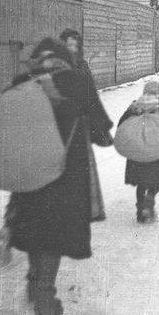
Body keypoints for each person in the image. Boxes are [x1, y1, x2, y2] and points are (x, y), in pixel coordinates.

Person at [3, 38, 107, 315]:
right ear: (65, 58)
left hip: (28, 170)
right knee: (56, 232)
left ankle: (34, 279)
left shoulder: (21, 81)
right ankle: (45, 294)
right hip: (67, 173)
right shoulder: (78, 80)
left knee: (34, 223)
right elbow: (102, 130)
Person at [59, 29, 113, 222]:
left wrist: (102, 124)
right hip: (59, 125)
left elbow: (92, 96)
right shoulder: (54, 66)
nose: (72, 49)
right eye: (68, 45)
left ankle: (88, 209)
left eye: (75, 45)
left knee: (81, 167)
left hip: (79, 124)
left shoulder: (82, 66)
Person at [119, 81, 159, 223]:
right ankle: (150, 198)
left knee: (140, 183)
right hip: (156, 155)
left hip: (136, 154)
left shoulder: (135, 106)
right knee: (154, 181)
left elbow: (121, 125)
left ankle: (140, 210)